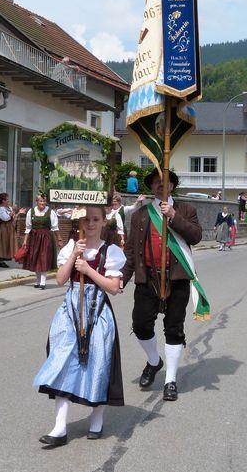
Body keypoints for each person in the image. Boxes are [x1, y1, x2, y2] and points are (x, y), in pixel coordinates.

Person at [33, 206, 125, 446]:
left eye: (95, 219)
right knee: (62, 361)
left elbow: (113, 288)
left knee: (98, 363)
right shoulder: (73, 247)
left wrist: (88, 270)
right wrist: (74, 255)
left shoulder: (111, 251)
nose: (91, 224)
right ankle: (59, 428)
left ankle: (97, 417)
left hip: (97, 311)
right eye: (86, 219)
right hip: (70, 310)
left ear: (104, 221)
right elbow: (60, 279)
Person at [121, 168, 202, 402]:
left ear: (172, 186)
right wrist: (121, 279)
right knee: (140, 325)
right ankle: (154, 361)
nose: (160, 185)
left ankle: (170, 380)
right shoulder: (140, 214)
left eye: (164, 182)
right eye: (156, 182)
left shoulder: (186, 210)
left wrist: (174, 216)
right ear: (152, 187)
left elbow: (196, 236)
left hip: (177, 278)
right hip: (148, 279)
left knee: (174, 328)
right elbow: (131, 251)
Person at [23, 194, 62, 289]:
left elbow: (55, 227)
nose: (42, 203)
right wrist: (25, 241)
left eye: (44, 201)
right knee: (36, 258)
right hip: (34, 238)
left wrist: (59, 239)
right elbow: (28, 228)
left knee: (44, 258)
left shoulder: (50, 212)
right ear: (36, 202)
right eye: (40, 201)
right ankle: (38, 281)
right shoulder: (31, 212)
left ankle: (43, 282)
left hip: (46, 238)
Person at [0, 193, 17, 263]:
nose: (8, 201)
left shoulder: (9, 208)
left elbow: (13, 216)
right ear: (3, 201)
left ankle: (8, 256)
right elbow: (5, 218)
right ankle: (2, 257)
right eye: (7, 200)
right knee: (4, 242)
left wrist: (14, 214)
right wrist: (12, 211)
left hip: (10, 227)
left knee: (10, 241)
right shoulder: (0, 209)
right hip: (4, 227)